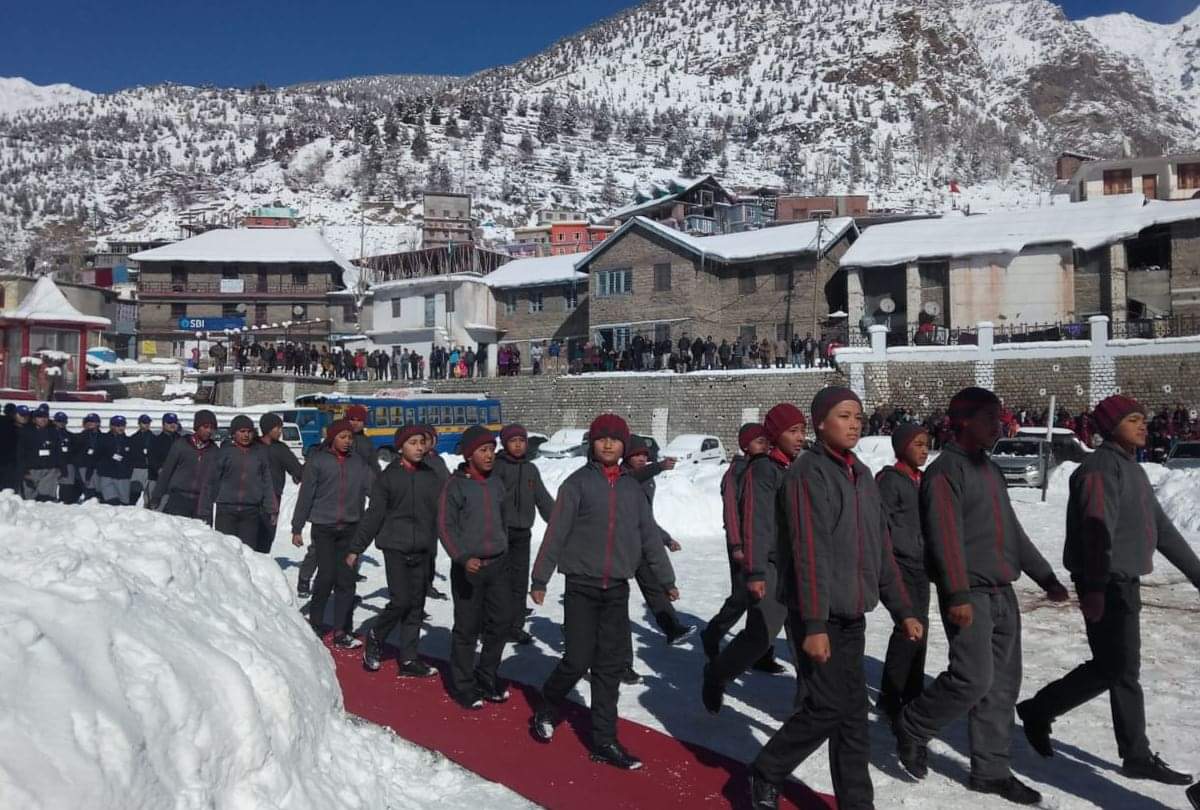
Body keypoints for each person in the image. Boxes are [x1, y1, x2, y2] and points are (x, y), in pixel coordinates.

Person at [894, 387, 1070, 806]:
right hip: (967, 593)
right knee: (973, 679)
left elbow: (1012, 531)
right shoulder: (944, 473)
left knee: (1003, 688)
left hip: (1002, 593)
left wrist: (1045, 576)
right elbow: (944, 538)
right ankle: (914, 724)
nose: (1000, 425)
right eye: (992, 419)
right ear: (967, 421)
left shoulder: (989, 470)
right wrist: (956, 594)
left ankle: (990, 772)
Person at [749, 387, 922, 810]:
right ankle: (768, 769)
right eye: (844, 416)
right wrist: (813, 625)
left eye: (858, 417)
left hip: (852, 615)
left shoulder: (862, 475)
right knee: (827, 707)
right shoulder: (808, 473)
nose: (854, 423)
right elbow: (809, 552)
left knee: (852, 721)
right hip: (818, 615)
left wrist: (903, 610)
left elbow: (881, 552)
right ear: (821, 423)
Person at [1017, 395, 1199, 786]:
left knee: (1119, 668)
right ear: (1110, 427)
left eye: (1142, 418)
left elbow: (1163, 530)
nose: (1142, 424)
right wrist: (1096, 589)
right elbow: (1096, 534)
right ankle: (1043, 710)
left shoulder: (1131, 470)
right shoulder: (1099, 470)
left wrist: (1198, 574)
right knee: (1116, 668)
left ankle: (1126, 749)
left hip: (1122, 581)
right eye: (1132, 419)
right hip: (1105, 581)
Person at [530, 414, 678, 770]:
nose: (609, 444)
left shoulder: (632, 489)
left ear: (625, 446)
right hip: (581, 585)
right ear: (592, 445)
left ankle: (604, 740)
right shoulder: (577, 484)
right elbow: (556, 533)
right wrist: (540, 578)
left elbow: (648, 538)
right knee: (577, 660)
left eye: (615, 439)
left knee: (609, 667)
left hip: (617, 588)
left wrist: (665, 579)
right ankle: (548, 703)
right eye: (601, 439)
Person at [703, 403, 808, 714]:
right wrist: (755, 571)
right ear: (775, 435)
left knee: (804, 637)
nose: (801, 437)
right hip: (772, 566)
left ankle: (808, 705)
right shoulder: (762, 470)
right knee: (760, 636)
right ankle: (717, 673)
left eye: (803, 430)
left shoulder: (797, 468)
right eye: (793, 431)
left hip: (798, 567)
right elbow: (755, 523)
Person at [350, 424, 442, 678]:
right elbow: (374, 514)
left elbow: (443, 515)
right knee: (401, 600)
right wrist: (356, 548)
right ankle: (376, 635)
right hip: (395, 547)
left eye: (422, 442)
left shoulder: (430, 476)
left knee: (416, 605)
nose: (419, 447)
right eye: (413, 443)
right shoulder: (388, 477)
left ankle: (409, 659)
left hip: (423, 548)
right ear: (401, 447)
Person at [437, 425, 512, 708]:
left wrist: (503, 546)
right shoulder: (455, 485)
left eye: (492, 449)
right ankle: (463, 684)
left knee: (503, 622)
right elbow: (445, 526)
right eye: (483, 450)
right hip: (469, 568)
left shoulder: (496, 482)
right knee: (467, 628)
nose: (490, 455)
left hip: (498, 565)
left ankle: (486, 676)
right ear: (470, 455)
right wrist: (462, 557)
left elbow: (503, 519)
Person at [701, 423, 782, 673]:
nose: (765, 445)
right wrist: (736, 545)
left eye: (766, 441)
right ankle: (713, 633)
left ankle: (762, 652)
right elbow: (732, 513)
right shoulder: (735, 472)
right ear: (745, 445)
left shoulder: (765, 469)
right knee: (742, 597)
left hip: (762, 544)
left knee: (764, 600)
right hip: (742, 544)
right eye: (759, 441)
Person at [291, 419, 372, 648]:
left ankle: (342, 630)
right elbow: (306, 495)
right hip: (324, 527)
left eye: (350, 437)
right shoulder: (318, 461)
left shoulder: (359, 463)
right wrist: (297, 527)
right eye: (343, 437)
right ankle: (315, 623)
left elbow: (373, 490)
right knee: (326, 576)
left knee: (346, 579)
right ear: (332, 438)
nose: (347, 441)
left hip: (350, 528)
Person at [876, 423, 933, 721]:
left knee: (920, 629)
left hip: (921, 565)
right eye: (918, 444)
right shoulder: (890, 480)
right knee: (908, 629)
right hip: (900, 564)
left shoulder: (922, 480)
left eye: (927, 444)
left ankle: (912, 690)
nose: (924, 450)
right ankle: (891, 695)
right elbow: (880, 524)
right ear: (901, 448)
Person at [622, 437, 695, 669]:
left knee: (654, 588)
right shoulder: (622, 477)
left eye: (645, 455)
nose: (642, 459)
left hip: (640, 542)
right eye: (636, 455)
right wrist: (659, 467)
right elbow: (632, 479)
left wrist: (665, 539)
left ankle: (672, 628)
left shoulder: (647, 482)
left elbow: (647, 518)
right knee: (608, 599)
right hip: (617, 546)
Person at [493, 424, 555, 645]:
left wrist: (560, 523)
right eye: (513, 440)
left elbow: (544, 500)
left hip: (522, 534)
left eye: (522, 440)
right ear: (505, 443)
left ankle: (514, 626)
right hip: (499, 533)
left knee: (519, 581)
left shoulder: (531, 470)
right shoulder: (497, 467)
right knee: (498, 581)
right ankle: (491, 625)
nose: (518, 444)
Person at [210, 414, 275, 550]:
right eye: (242, 431)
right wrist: (208, 504)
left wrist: (271, 508)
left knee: (247, 551)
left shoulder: (259, 454)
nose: (246, 435)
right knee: (225, 551)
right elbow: (212, 480)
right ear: (234, 433)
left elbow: (267, 482)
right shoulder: (225, 453)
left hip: (250, 511)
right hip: (226, 510)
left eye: (249, 432)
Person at [151, 410, 219, 524]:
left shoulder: (215, 451)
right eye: (205, 426)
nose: (209, 430)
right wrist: (157, 495)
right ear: (197, 427)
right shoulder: (181, 445)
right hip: (179, 498)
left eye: (212, 428)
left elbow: (217, 479)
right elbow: (167, 471)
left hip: (202, 503)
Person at [257, 413, 303, 554]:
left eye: (281, 428)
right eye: (277, 428)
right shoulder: (254, 446)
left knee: (268, 535)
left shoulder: (281, 449)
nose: (280, 431)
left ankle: (263, 565)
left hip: (273, 498)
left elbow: (297, 469)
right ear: (267, 429)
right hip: (253, 498)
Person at [19, 404, 62, 502]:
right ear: (34, 419)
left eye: (45, 417)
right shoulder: (26, 432)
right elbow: (21, 452)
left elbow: (58, 450)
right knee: (29, 499)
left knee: (46, 500)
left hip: (49, 469)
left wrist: (59, 467)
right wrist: (23, 470)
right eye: (40, 417)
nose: (43, 419)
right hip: (31, 469)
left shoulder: (53, 432)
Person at [95, 415, 135, 506]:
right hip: (107, 475)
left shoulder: (129, 440)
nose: (121, 428)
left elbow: (131, 458)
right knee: (110, 502)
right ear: (111, 426)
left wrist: (128, 470)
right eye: (117, 425)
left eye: (123, 425)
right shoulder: (103, 439)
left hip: (123, 476)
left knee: (124, 504)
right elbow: (98, 455)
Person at [148, 413, 182, 506]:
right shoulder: (156, 440)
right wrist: (159, 469)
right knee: (155, 509)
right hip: (157, 480)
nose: (173, 425)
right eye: (169, 422)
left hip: (176, 482)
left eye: (175, 422)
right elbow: (151, 459)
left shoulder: (181, 441)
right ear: (163, 424)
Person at [128, 414, 156, 506]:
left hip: (150, 469)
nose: (146, 425)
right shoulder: (133, 438)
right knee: (134, 492)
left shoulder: (154, 438)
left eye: (148, 423)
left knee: (149, 495)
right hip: (137, 468)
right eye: (144, 423)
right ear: (139, 424)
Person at [53, 412, 78, 504]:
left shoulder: (70, 435)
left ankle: (65, 501)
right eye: (59, 421)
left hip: (67, 462)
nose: (61, 423)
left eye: (63, 421)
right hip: (53, 463)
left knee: (66, 486)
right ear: (54, 421)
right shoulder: (49, 434)